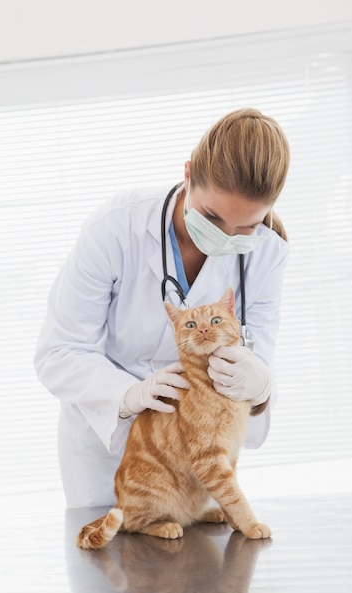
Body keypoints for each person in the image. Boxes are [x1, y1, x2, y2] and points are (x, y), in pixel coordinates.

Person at [34, 108, 290, 508]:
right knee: (108, 563)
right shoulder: (118, 226)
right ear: (188, 175)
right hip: (107, 450)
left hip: (199, 458)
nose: (224, 238)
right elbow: (59, 352)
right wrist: (129, 393)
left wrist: (261, 388)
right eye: (212, 217)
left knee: (197, 565)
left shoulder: (267, 255)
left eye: (244, 229)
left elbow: (257, 365)